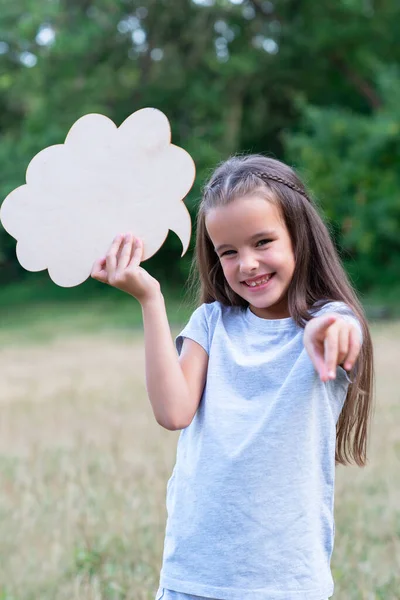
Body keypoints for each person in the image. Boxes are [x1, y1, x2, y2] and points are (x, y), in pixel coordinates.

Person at [91, 154, 374, 600]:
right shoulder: (210, 324)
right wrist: (149, 299)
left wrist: (327, 330)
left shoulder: (329, 322)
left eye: (263, 242)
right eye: (229, 251)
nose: (247, 264)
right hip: (194, 574)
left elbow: (341, 331)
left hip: (285, 581)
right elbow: (173, 411)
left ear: (298, 236)